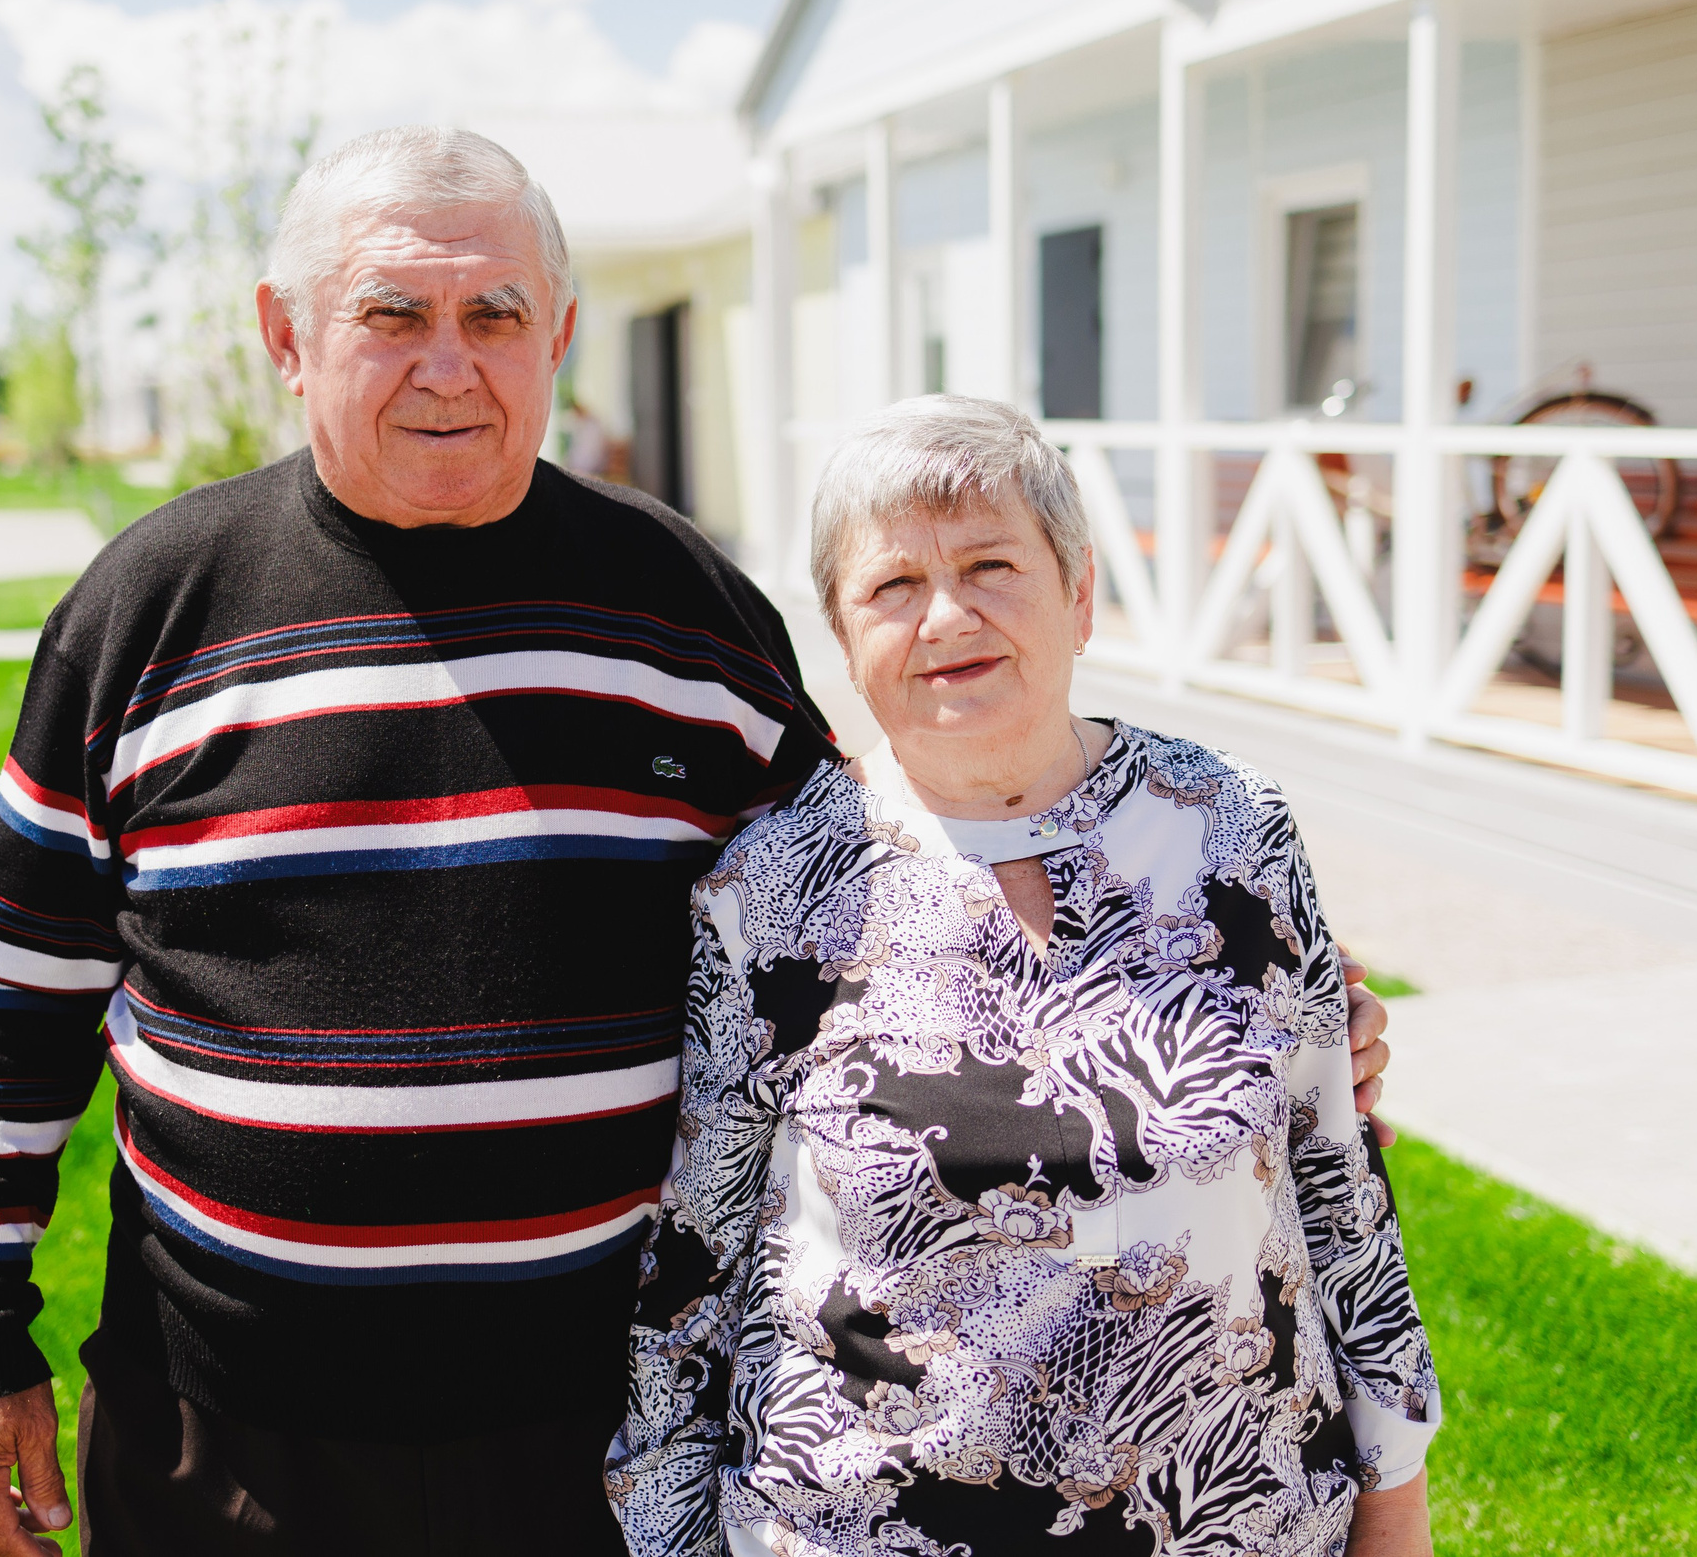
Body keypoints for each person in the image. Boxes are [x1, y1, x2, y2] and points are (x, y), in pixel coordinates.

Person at [0, 128, 1399, 1557]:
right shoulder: (150, 611)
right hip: (231, 1432)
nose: (449, 362)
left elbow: (884, 906)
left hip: (582, 1432)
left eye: (496, 313)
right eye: (393, 313)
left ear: (558, 336)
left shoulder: (686, 614)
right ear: (286, 336)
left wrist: (1245, 1012)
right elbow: (10, 990)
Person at [608, 397, 1440, 1557]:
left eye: (991, 566)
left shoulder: (1232, 829)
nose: (947, 616)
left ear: (1079, 594)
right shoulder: (770, 893)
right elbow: (692, 1269)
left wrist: (1394, 1493)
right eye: (893, 586)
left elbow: (1335, 1181)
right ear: (844, 638)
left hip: (1234, 1518)